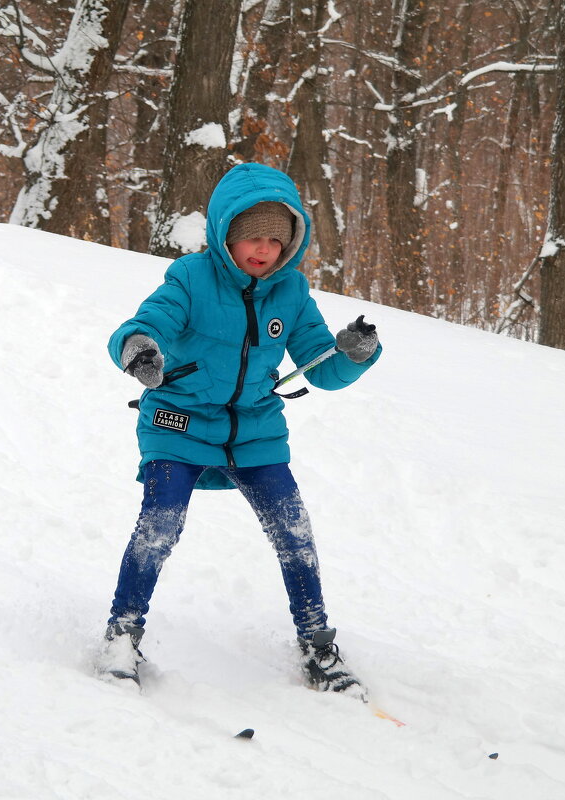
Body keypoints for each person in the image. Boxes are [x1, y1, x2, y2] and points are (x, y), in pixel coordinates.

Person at [97, 163, 382, 698]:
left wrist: (355, 355)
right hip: (176, 422)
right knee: (161, 521)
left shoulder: (291, 291)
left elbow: (322, 368)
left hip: (253, 429)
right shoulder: (190, 278)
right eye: (253, 235)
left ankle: (318, 644)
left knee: (293, 531)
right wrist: (138, 349)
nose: (264, 249)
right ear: (226, 232)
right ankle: (122, 633)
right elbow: (146, 322)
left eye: (277, 238)